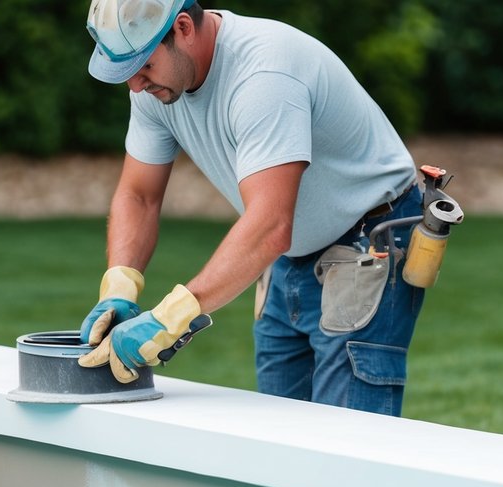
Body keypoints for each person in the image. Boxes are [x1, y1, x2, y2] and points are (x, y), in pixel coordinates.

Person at [79, 0, 428, 415]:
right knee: (278, 434)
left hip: (368, 240)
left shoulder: (263, 75)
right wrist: (120, 284)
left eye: (143, 67)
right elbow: (139, 196)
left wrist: (171, 316)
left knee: (348, 445)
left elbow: (269, 225)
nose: (135, 86)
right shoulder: (154, 89)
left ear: (184, 28)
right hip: (286, 254)